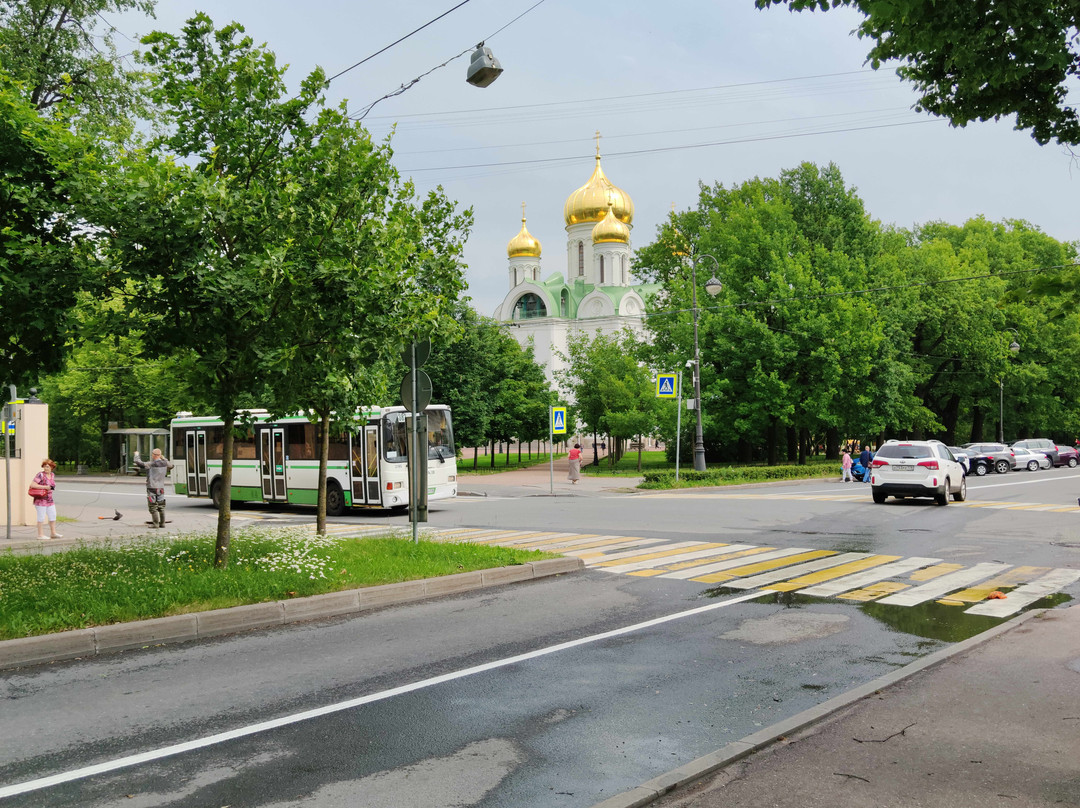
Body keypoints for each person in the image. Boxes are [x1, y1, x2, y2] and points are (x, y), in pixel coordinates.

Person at [133, 448, 174, 528]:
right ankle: (162, 524)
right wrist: (164, 458)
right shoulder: (165, 463)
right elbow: (171, 466)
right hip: (161, 488)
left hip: (151, 487)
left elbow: (139, 463)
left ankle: (155, 524)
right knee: (161, 506)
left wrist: (136, 455)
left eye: (152, 454)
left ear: (154, 455)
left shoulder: (151, 464)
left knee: (153, 507)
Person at [30, 458, 61, 539]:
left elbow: (51, 486)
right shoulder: (40, 475)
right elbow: (32, 485)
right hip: (41, 500)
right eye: (45, 466)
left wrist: (51, 487)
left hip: (50, 499)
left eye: (48, 467)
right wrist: (45, 487)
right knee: (41, 517)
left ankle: (53, 533)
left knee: (53, 515)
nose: (46, 468)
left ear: (52, 467)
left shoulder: (52, 475)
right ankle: (40, 535)